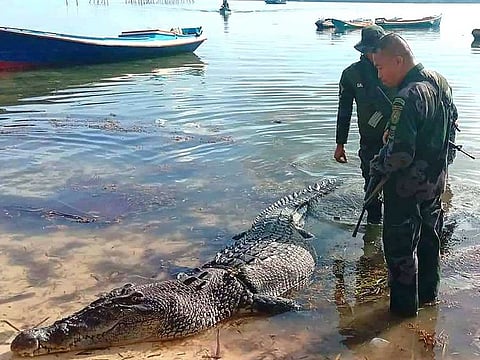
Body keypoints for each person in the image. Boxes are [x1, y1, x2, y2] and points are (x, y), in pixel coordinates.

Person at [370, 33, 458, 317]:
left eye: (381, 67)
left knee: (399, 250)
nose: (379, 74)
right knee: (430, 241)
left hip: (406, 189)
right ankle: (430, 297)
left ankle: (403, 312)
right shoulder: (440, 81)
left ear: (399, 60)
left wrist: (377, 166)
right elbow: (451, 126)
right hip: (435, 182)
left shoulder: (406, 97)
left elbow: (400, 155)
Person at [334, 25, 396, 225]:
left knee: (399, 190)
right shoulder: (352, 74)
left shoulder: (397, 69)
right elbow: (344, 111)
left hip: (399, 138)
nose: (373, 55)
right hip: (370, 141)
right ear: (363, 50)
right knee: (371, 189)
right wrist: (340, 144)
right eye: (370, 50)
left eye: (377, 49)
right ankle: (372, 232)